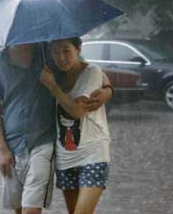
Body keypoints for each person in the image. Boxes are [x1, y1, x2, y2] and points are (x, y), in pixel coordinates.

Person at [0, 42, 113, 214]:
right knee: (20, 209)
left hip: (44, 142)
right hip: (14, 143)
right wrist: (2, 149)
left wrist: (108, 90)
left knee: (33, 210)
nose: (62, 56)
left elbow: (84, 68)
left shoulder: (48, 53)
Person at [39, 37, 112, 214]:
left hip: (93, 153)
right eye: (56, 52)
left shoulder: (91, 72)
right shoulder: (53, 74)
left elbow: (77, 111)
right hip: (66, 158)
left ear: (78, 48)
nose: (61, 57)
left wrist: (53, 88)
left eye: (66, 50)